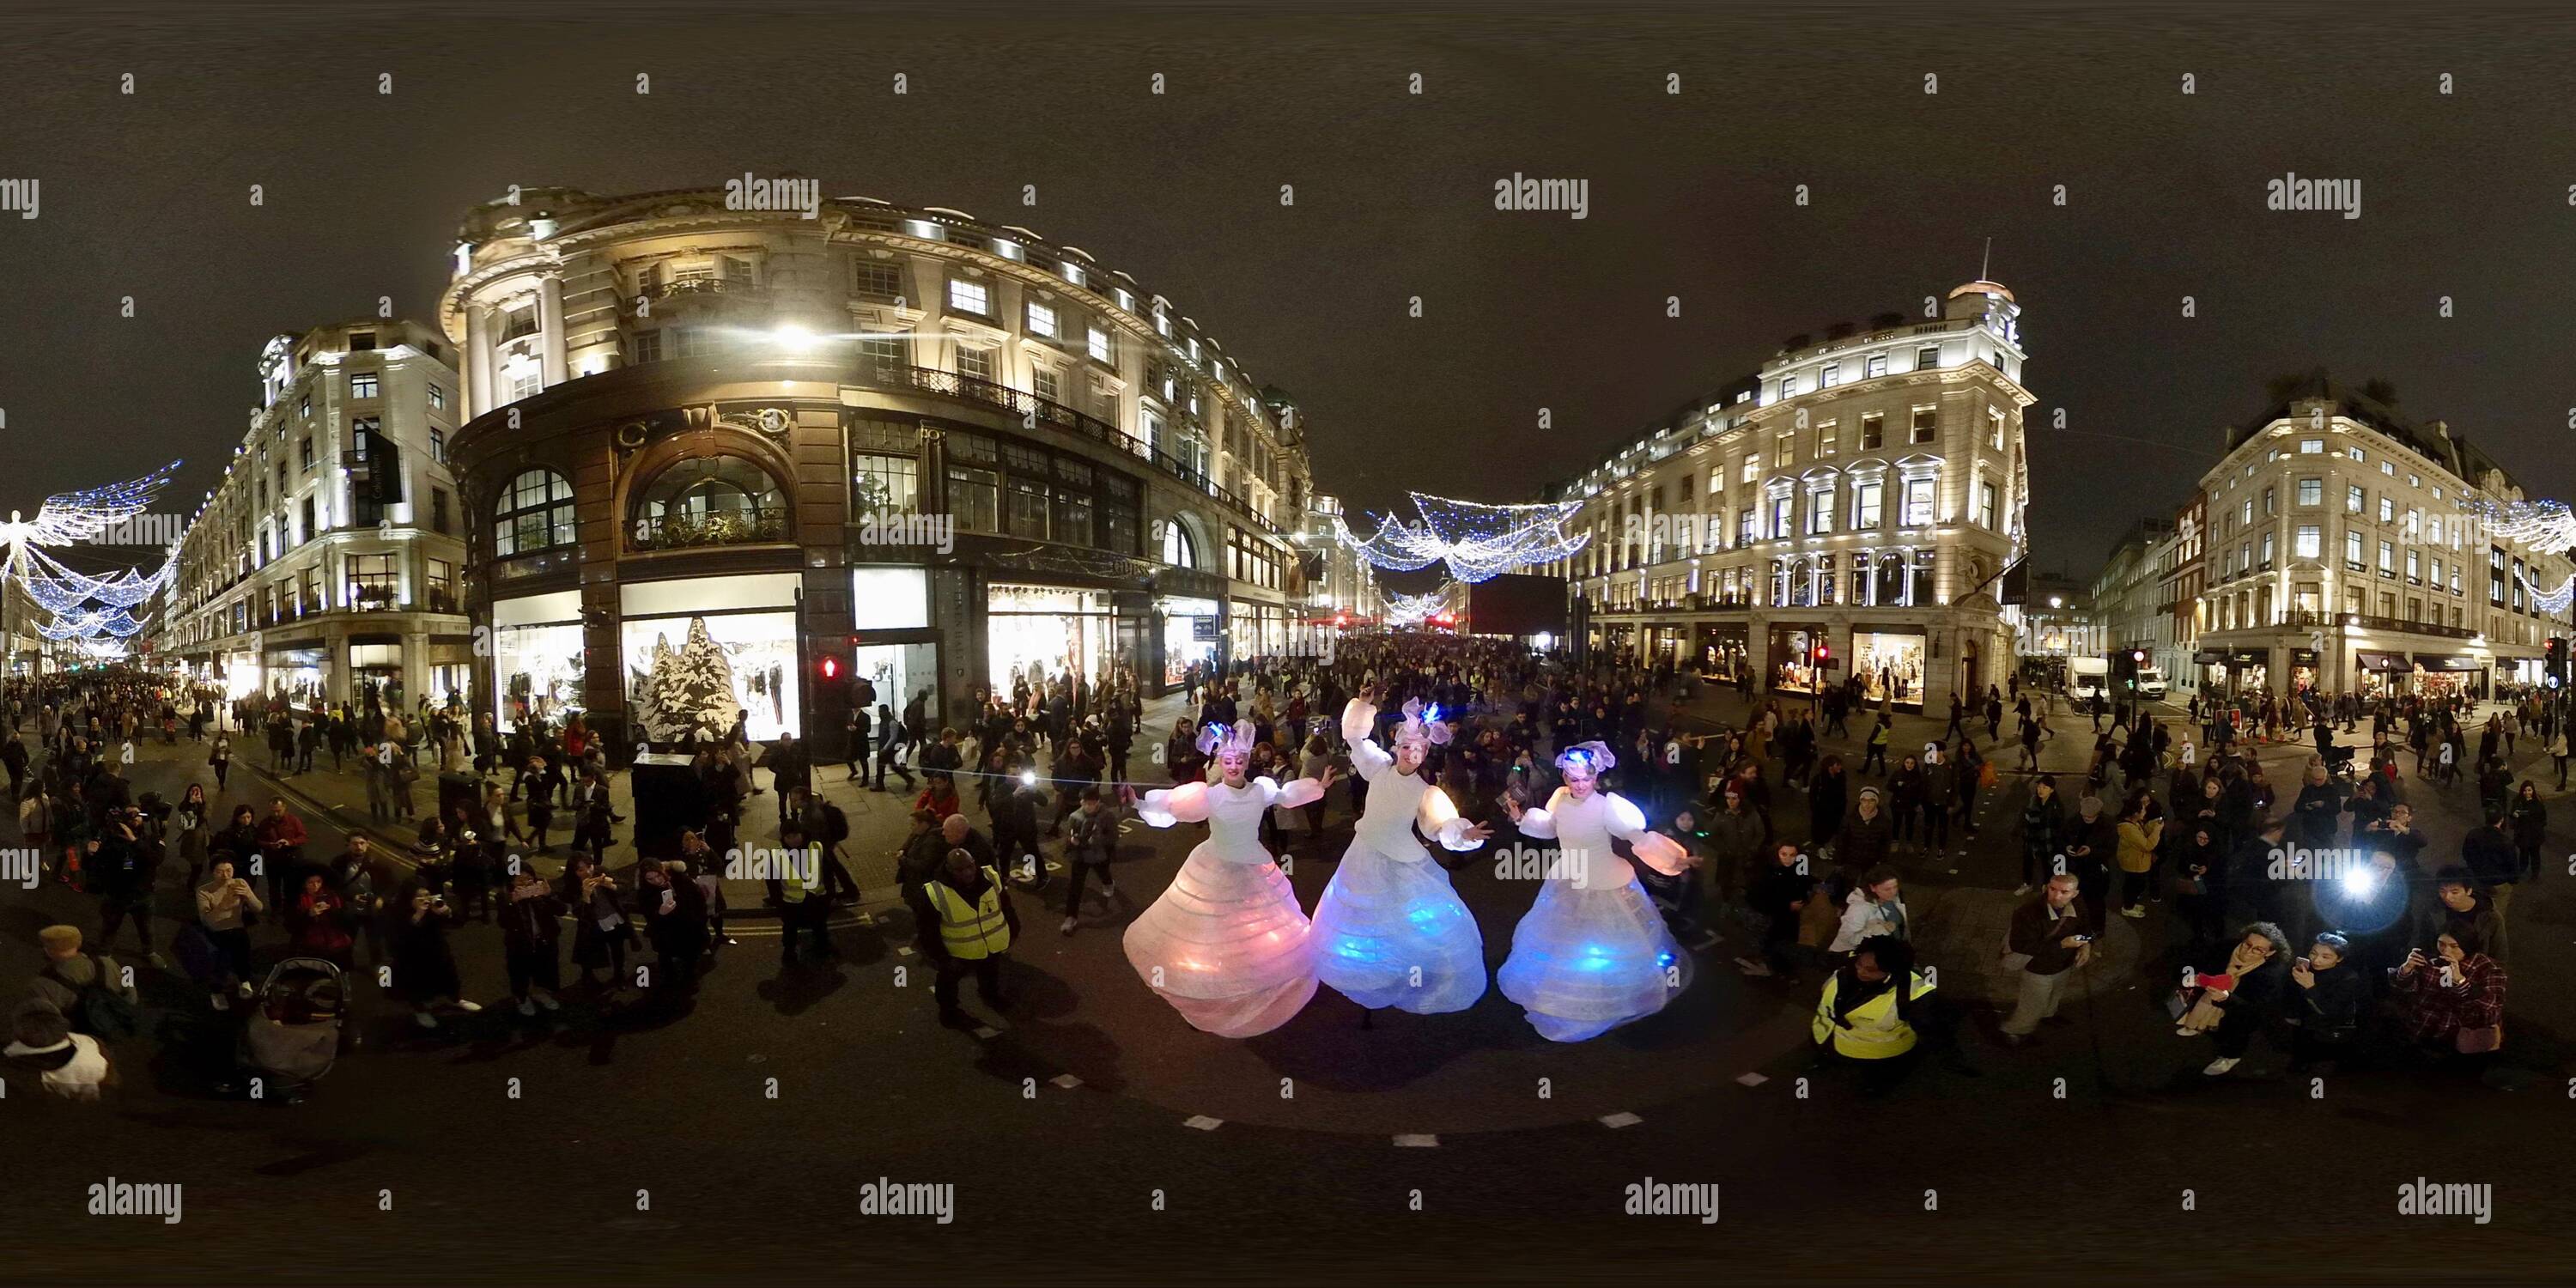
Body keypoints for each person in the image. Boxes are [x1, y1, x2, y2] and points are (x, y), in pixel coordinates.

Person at [1124, 720, 1334, 1038]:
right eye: (1227, 761)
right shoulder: (1209, 795)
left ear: (1247, 762)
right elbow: (1171, 807)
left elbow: (1287, 795)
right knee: (1215, 933)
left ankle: (1254, 985)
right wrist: (1139, 803)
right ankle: (1216, 989)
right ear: (1219, 762)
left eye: (1239, 761)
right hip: (1215, 868)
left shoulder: (1260, 790)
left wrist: (1318, 786)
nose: (1233, 766)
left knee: (1252, 934)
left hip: (1254, 869)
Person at [1499, 740, 1697, 1042]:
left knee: (1608, 934)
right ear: (1565, 778)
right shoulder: (1560, 798)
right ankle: (1573, 986)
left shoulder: (1608, 806)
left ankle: (1608, 990)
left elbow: (1636, 837)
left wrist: (1671, 859)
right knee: (1568, 934)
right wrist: (1520, 818)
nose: (1580, 785)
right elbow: (1551, 827)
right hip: (1569, 874)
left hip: (1605, 876)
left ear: (1596, 777)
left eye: (1587, 779)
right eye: (1574, 779)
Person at [1310, 694, 1492, 1011]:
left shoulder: (1425, 792)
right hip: (1364, 852)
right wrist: (1365, 706)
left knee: (1399, 912)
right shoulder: (1379, 768)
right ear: (1397, 747)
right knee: (1363, 908)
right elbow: (1354, 737)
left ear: (1426, 754)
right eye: (1408, 748)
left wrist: (1464, 832)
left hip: (1400, 857)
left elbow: (1440, 824)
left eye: (1419, 750)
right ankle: (1372, 964)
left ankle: (1402, 965)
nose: (1412, 754)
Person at [1810, 934, 1937, 1094]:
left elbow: (1931, 1030)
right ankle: (1827, 1059)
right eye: (1859, 964)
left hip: (1877, 1054)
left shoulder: (1913, 993)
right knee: (1829, 1055)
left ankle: (1877, 1086)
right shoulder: (1848, 964)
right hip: (1827, 1036)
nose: (1860, 971)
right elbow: (1815, 957)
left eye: (1870, 970)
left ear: (1891, 971)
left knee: (1879, 1075)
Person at [909, 846, 1020, 1026]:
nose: (967, 873)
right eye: (960, 870)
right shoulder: (935, 892)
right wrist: (942, 958)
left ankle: (990, 995)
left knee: (990, 973)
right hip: (958, 952)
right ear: (949, 869)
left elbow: (1005, 905)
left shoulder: (991, 877)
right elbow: (927, 930)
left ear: (975, 864)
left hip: (990, 945)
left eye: (970, 867)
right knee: (948, 984)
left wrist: (1014, 928)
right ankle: (949, 1012)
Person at [2179, 921, 2288, 1077]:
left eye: (2258, 950)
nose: (2248, 951)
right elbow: (2207, 962)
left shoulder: (2271, 974)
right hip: (2212, 998)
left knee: (2234, 1034)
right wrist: (2199, 978)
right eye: (2247, 944)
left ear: (2270, 953)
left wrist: (2228, 998)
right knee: (2212, 1020)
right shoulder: (2227, 947)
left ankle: (2231, 1057)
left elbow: (2257, 1007)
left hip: (2241, 1013)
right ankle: (2199, 1026)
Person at [1998, 873, 2091, 1047]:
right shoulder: (2027, 913)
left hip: (2064, 965)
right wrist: (2062, 945)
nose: (2056, 896)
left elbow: (2085, 927)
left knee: (2055, 995)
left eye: (2064, 892)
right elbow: (2020, 945)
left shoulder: (2078, 904)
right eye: (2052, 889)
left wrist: (2085, 945)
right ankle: (2014, 1030)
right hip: (2038, 969)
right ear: (2046, 887)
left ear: (2075, 894)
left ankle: (2048, 1015)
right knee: (2032, 1005)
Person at [2391, 927, 2507, 1064]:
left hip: (2462, 1034)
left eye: (2454, 946)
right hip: (2424, 1024)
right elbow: (2404, 988)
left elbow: (2493, 1003)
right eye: (2441, 944)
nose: (2446, 951)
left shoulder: (2487, 968)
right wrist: (2406, 969)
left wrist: (2461, 982)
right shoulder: (2430, 958)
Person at [389, 886, 479, 1029]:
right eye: (420, 897)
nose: (425, 900)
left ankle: (456, 999)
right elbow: (399, 938)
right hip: (412, 957)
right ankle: (420, 1010)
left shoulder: (433, 909)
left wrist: (447, 912)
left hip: (437, 950)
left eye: (427, 895)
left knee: (449, 977)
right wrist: (418, 915)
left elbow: (459, 922)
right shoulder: (400, 913)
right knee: (417, 985)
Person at [2284, 932, 2367, 1074]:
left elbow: (2330, 1010)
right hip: (2303, 1032)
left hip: (2328, 1035)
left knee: (2320, 1079)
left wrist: (2310, 987)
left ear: (2339, 958)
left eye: (2326, 957)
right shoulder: (2305, 970)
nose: (2317, 960)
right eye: (2313, 953)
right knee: (2297, 1076)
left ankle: (2318, 1094)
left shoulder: (2348, 977)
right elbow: (2291, 1000)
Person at [1738, 841, 1816, 981]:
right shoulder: (1766, 873)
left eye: (1793, 855)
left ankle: (1780, 966)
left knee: (1785, 942)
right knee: (1771, 943)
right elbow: (1760, 899)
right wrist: (1788, 906)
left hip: (1788, 916)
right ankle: (1774, 966)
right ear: (1777, 854)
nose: (1788, 858)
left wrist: (1804, 898)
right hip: (1770, 916)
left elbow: (1804, 883)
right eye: (1784, 854)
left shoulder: (1800, 866)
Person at [193, 858, 263, 1012]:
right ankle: (217, 992)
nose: (225, 875)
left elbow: (258, 908)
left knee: (243, 957)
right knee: (219, 963)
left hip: (237, 928)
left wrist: (248, 896)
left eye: (229, 871)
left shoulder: (239, 883)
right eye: (220, 871)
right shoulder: (204, 891)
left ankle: (243, 980)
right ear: (212, 873)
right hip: (216, 931)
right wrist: (224, 906)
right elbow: (207, 920)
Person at [637, 860, 711, 1003]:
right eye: (650, 879)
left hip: (689, 929)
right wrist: (660, 913)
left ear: (663, 871)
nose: (656, 881)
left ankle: (690, 978)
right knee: (665, 958)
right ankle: (669, 980)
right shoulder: (645, 893)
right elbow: (649, 915)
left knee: (691, 957)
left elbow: (699, 901)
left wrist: (699, 921)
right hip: (666, 934)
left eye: (658, 876)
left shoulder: (681, 881)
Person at [1059, 787, 1129, 934]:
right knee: (1075, 887)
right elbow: (1069, 835)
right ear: (1081, 802)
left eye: (1092, 803)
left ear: (1098, 802)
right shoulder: (1075, 817)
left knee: (1103, 873)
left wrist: (1097, 840)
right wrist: (1072, 841)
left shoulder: (1106, 816)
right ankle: (1071, 917)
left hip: (1099, 855)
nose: (1089, 807)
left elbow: (1114, 836)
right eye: (1086, 803)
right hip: (1080, 856)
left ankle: (1108, 883)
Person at [498, 868, 566, 1017]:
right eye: (520, 880)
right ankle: (522, 999)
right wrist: (513, 904)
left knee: (544, 970)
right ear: (512, 882)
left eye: (529, 879)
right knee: (520, 973)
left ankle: (539, 992)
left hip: (544, 941)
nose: (526, 883)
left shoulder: (541, 893)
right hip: (520, 945)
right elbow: (503, 922)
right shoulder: (505, 896)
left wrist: (549, 896)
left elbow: (562, 910)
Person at [562, 854, 633, 993]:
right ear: (574, 872)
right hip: (593, 925)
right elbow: (580, 914)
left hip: (613, 918)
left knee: (618, 949)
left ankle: (619, 975)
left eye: (589, 866)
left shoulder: (601, 871)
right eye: (581, 870)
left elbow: (626, 887)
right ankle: (587, 976)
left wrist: (611, 885)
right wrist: (586, 896)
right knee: (589, 952)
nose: (588, 872)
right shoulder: (573, 885)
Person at [2114, 794, 2165, 920]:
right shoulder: (2128, 828)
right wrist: (2157, 829)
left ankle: (2130, 904)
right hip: (2134, 863)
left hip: (2137, 861)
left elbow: (2143, 833)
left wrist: (2153, 824)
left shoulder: (2134, 823)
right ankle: (2128, 908)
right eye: (2143, 809)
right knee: (2133, 886)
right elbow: (2147, 845)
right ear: (2135, 813)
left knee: (2134, 885)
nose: (2145, 811)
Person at [2016, 775, 2064, 896]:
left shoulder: (2056, 807)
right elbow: (2024, 818)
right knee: (2028, 862)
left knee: (2047, 865)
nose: (2040, 790)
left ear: (2052, 790)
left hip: (2046, 841)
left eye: (2045, 787)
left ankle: (2046, 887)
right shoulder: (2033, 801)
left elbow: (2058, 828)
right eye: (2039, 787)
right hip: (2031, 839)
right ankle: (2027, 884)